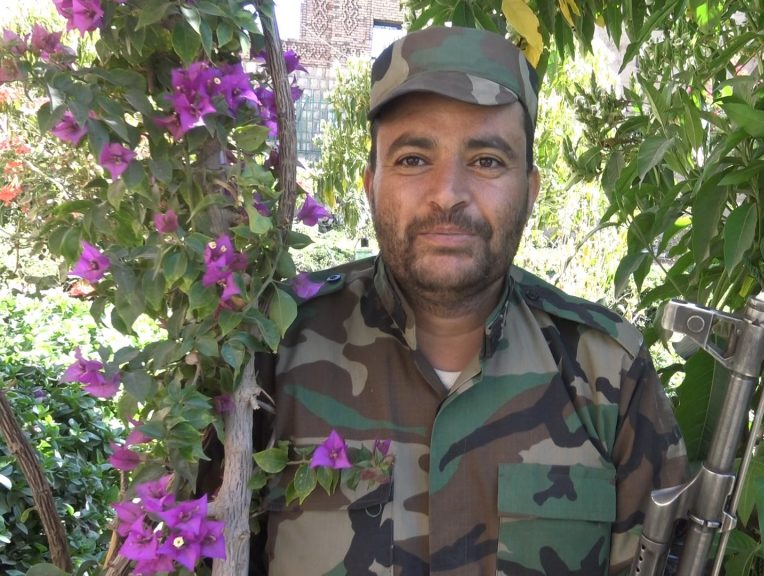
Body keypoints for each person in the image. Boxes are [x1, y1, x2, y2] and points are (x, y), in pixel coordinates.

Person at [253, 26, 687, 575]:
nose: (448, 193)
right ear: (370, 183)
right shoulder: (273, 348)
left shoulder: (608, 373)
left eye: (486, 161)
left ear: (530, 190)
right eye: (413, 159)